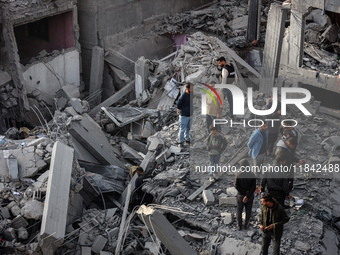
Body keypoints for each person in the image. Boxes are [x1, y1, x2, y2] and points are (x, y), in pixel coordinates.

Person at [235, 159, 256, 230]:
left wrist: (243, 193)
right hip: (249, 196)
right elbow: (253, 188)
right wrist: (247, 195)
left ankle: (239, 225)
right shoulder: (252, 175)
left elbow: (237, 186)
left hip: (240, 196)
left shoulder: (238, 174)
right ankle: (246, 224)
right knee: (248, 210)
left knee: (239, 210)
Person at [177, 83, 194, 148]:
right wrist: (179, 110)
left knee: (188, 128)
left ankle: (187, 139)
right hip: (184, 115)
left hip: (190, 115)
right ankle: (181, 142)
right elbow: (178, 104)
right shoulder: (183, 96)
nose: (192, 89)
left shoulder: (192, 93)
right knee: (182, 129)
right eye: (191, 88)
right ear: (187, 89)